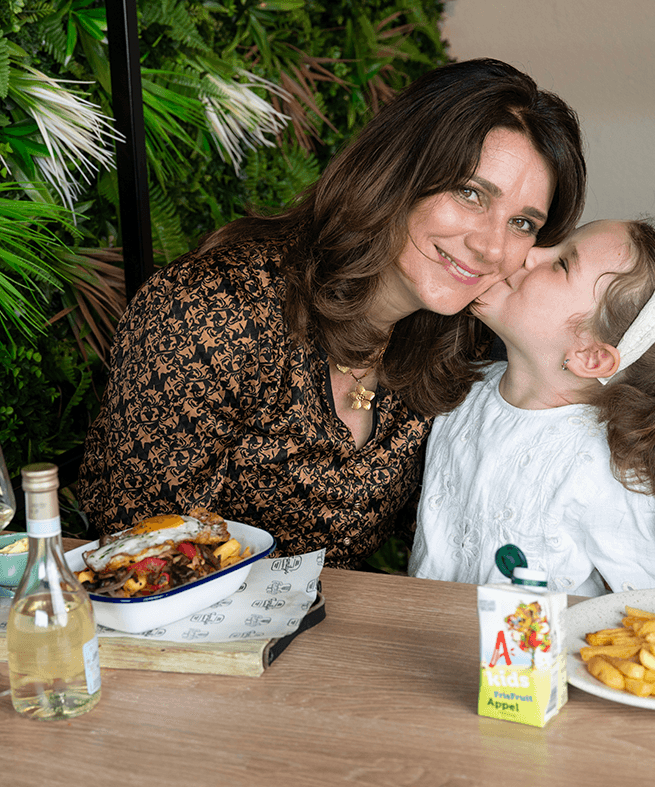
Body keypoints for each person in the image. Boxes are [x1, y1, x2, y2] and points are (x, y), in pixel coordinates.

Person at [77, 58, 587, 568]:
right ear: (398, 172)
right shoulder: (214, 309)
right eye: (471, 194)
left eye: (522, 223)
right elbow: (135, 549)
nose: (492, 247)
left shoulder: (458, 339)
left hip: (338, 638)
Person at [409, 219, 655, 596]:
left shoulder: (609, 470)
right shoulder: (463, 386)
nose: (527, 251)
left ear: (590, 355)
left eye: (562, 264)